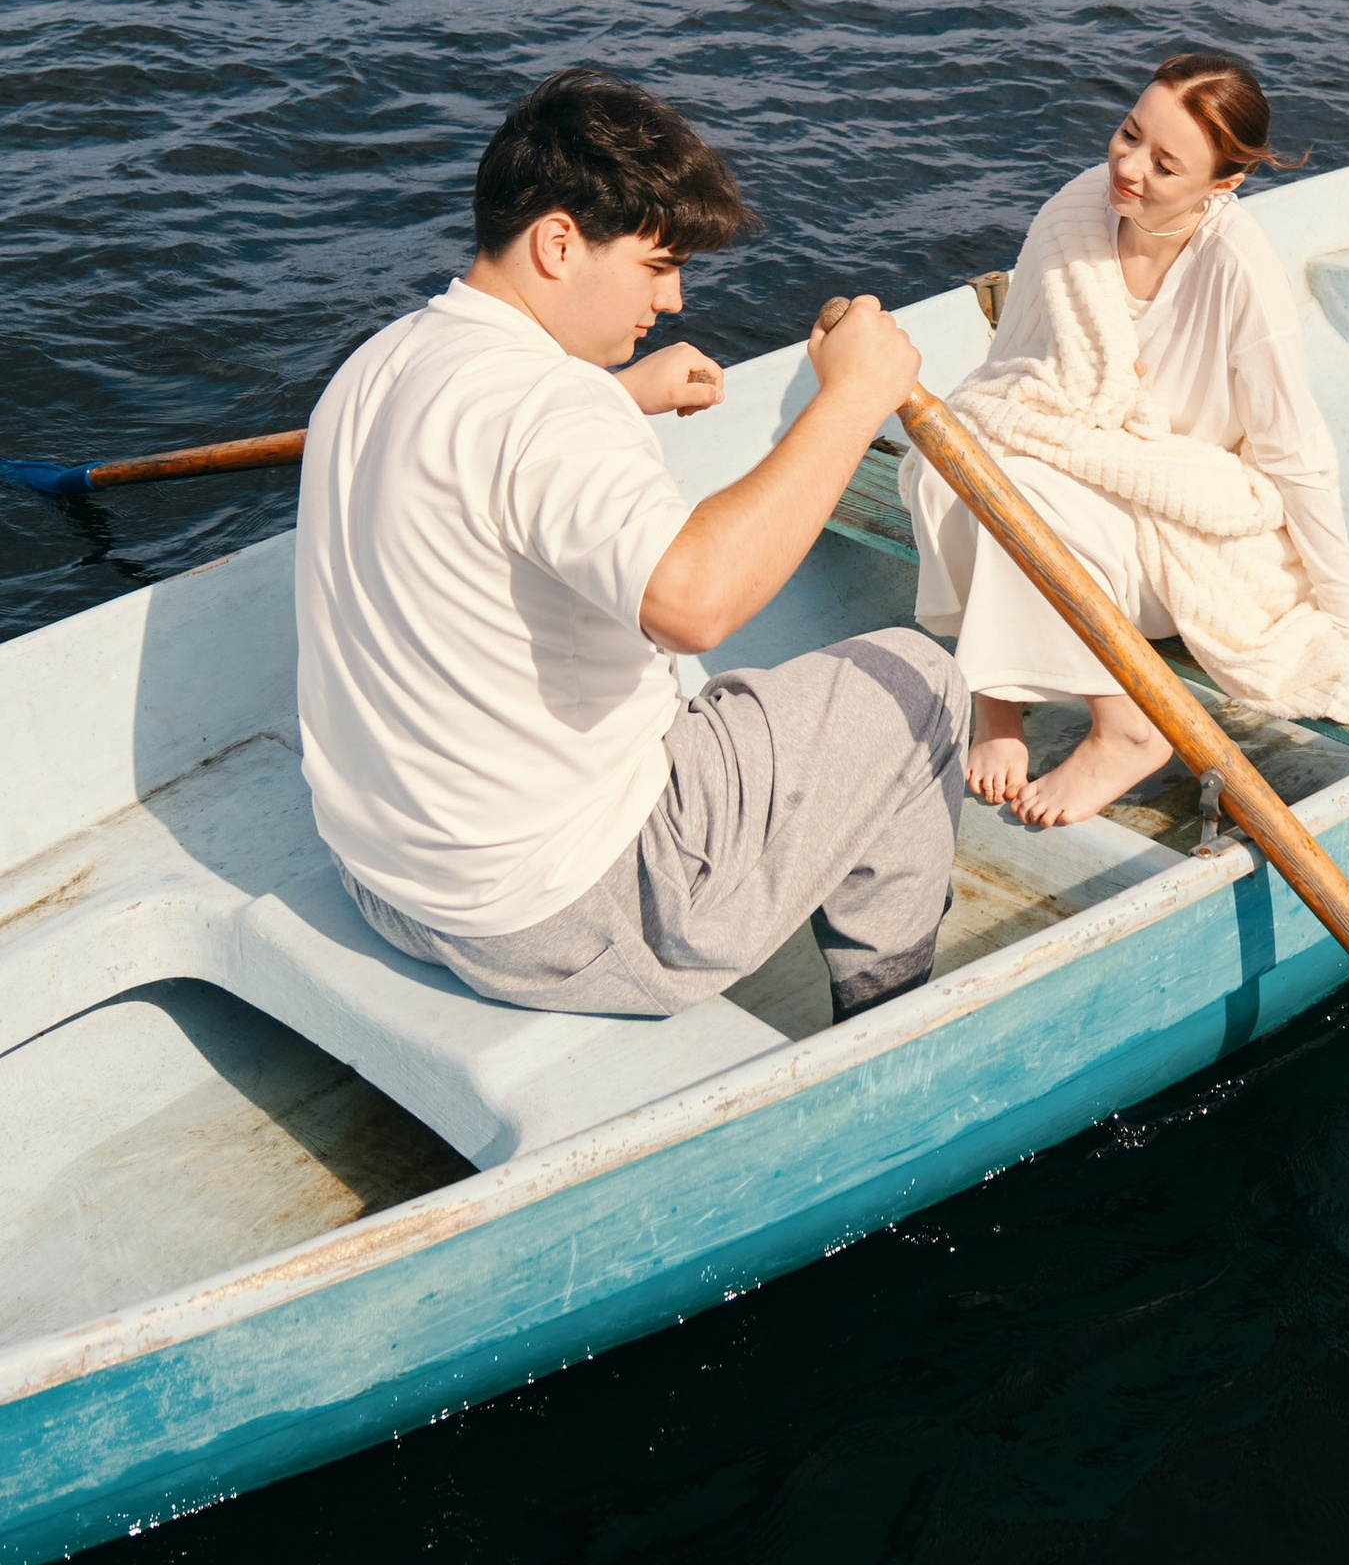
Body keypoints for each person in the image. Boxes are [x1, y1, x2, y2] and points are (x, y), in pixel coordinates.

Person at [296, 65, 967, 1025]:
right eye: (657, 266)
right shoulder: (550, 406)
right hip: (564, 916)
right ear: (558, 243)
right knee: (919, 683)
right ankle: (888, 1024)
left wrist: (620, 396)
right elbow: (693, 606)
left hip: (387, 881)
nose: (676, 299)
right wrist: (854, 399)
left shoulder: (379, 363)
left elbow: (488, 470)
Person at [906, 49, 1349, 828]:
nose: (1129, 167)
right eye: (1130, 133)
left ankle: (1127, 727)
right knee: (944, 463)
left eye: (1166, 165)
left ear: (1223, 183)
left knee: (1017, 493)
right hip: (1082, 461)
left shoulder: (1239, 269)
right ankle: (998, 701)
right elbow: (1016, 372)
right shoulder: (1077, 211)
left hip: (1185, 519)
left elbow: (1295, 455)